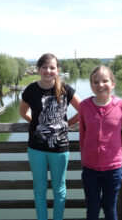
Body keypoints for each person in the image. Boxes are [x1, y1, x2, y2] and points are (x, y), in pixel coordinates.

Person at [19, 53, 80, 220]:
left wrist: (68, 124)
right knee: (40, 190)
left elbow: (83, 109)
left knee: (59, 189)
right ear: (38, 69)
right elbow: (22, 112)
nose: (48, 70)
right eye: (44, 67)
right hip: (36, 148)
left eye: (52, 67)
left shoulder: (65, 89)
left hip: (60, 148)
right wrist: (39, 123)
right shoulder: (31, 89)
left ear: (57, 70)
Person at [79, 65, 122, 220]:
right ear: (91, 85)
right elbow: (83, 134)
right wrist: (85, 157)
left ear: (113, 84)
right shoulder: (84, 106)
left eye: (105, 81)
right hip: (90, 168)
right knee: (92, 210)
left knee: (110, 210)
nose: (100, 85)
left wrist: (116, 151)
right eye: (96, 82)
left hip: (113, 169)